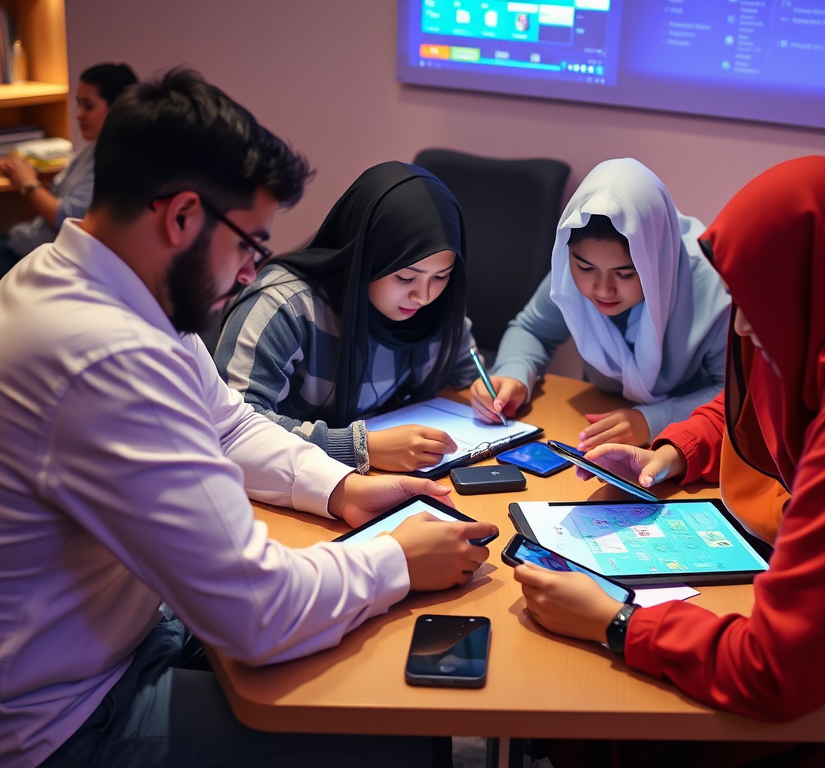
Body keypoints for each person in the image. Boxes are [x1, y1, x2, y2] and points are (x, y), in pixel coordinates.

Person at [0, 69, 496, 768]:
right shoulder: (104, 359)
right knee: (404, 739)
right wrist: (396, 560)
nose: (248, 274)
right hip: (74, 718)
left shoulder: (96, 287)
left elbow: (228, 425)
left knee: (370, 669)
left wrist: (339, 488)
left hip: (131, 633)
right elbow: (254, 612)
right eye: (251, 245)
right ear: (180, 217)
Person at [514, 156, 825, 767]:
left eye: (755, 301)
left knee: (614, 733)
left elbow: (779, 671)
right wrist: (676, 452)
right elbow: (749, 402)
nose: (745, 326)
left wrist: (618, 623)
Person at [215, 162, 479, 473]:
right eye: (406, 278)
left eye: (442, 276)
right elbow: (233, 427)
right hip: (293, 487)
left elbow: (466, 377)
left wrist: (492, 388)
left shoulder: (437, 303)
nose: (423, 296)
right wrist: (358, 447)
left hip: (390, 476)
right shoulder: (285, 305)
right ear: (364, 258)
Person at [469, 158, 731, 451]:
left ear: (657, 260)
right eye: (585, 267)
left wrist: (653, 420)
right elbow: (532, 330)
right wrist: (513, 373)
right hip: (600, 432)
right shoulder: (570, 273)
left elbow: (735, 395)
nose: (602, 289)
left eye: (625, 273)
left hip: (693, 444)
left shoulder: (711, 287)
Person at [0, 62, 138, 277]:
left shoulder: (113, 159)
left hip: (37, 259)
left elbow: (69, 218)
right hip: (24, 243)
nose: (78, 114)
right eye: (78, 104)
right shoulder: (91, 149)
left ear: (116, 109)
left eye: (88, 106)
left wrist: (28, 184)